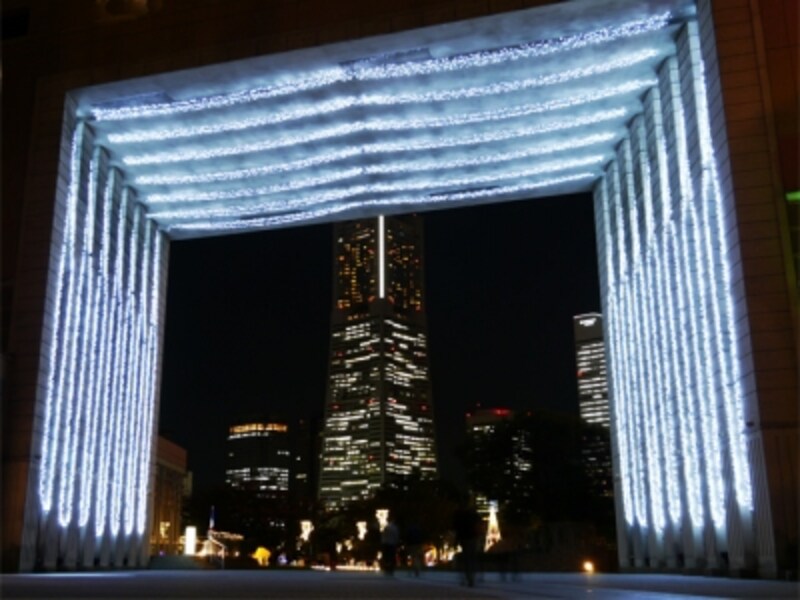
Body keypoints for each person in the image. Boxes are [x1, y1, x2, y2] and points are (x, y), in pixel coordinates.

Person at [453, 497, 482, 587]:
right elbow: (479, 525)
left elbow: (456, 528)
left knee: (467, 558)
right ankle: (472, 577)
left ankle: (468, 577)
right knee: (472, 558)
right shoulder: (474, 514)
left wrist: (456, 540)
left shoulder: (459, 515)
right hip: (473, 537)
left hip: (464, 538)